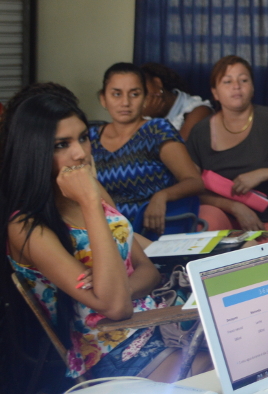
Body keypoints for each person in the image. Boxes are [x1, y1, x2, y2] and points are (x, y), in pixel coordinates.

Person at [1, 92, 212, 380]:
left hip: (157, 319)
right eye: (62, 145)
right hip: (110, 350)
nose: (80, 153)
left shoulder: (95, 190)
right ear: (35, 151)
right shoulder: (26, 226)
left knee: (248, 352)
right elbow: (116, 307)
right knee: (223, 376)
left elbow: (148, 272)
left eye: (83, 138)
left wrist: (114, 286)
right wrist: (89, 204)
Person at [186, 55, 268, 231]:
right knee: (207, 220)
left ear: (252, 88)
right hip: (220, 212)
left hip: (267, 218)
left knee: (263, 253)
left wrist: (266, 173)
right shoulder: (200, 131)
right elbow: (191, 187)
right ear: (215, 92)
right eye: (227, 81)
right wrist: (234, 207)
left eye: (243, 80)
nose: (236, 86)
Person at [90, 63, 204, 237]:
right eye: (116, 94)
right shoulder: (90, 137)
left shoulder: (157, 130)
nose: (125, 102)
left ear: (145, 98)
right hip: (101, 232)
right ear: (103, 98)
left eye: (134, 94)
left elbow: (194, 181)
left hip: (150, 231)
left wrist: (162, 196)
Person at [139, 62, 213, 141]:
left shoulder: (199, 110)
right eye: (135, 93)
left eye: (143, 87)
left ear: (157, 83)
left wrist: (149, 119)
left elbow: (177, 149)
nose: (141, 96)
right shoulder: (143, 113)